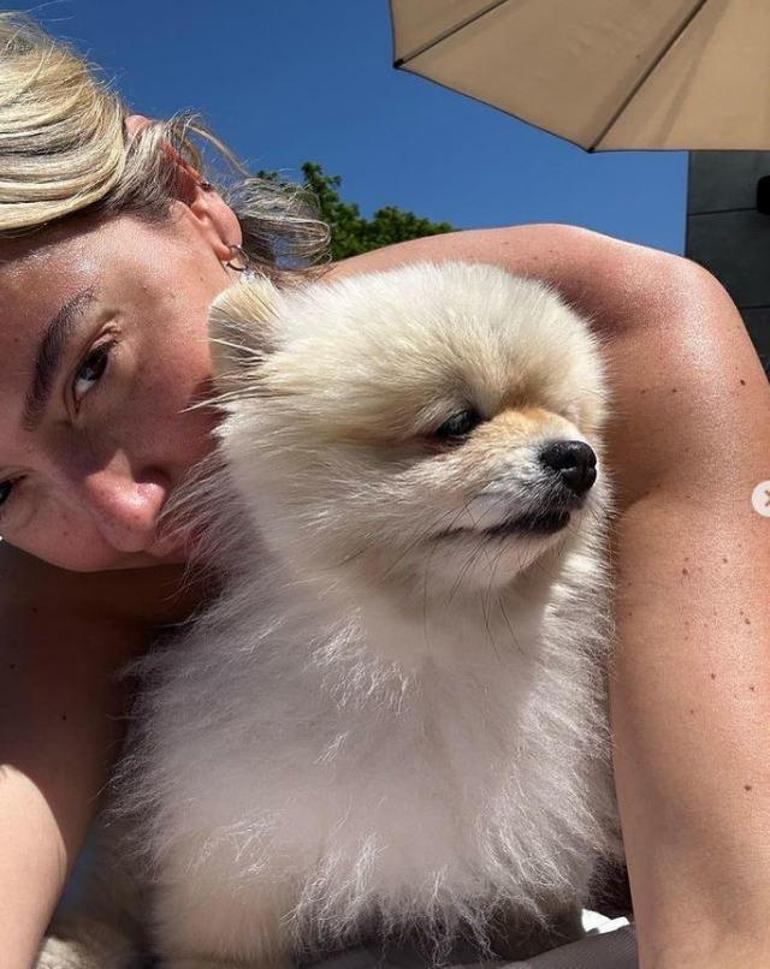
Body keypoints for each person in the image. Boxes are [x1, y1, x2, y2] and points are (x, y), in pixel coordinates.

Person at [0, 11, 768, 969]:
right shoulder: (62, 578)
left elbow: (735, 905)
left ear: (192, 197)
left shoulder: (627, 327)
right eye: (2, 489)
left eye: (92, 367)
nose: (126, 514)